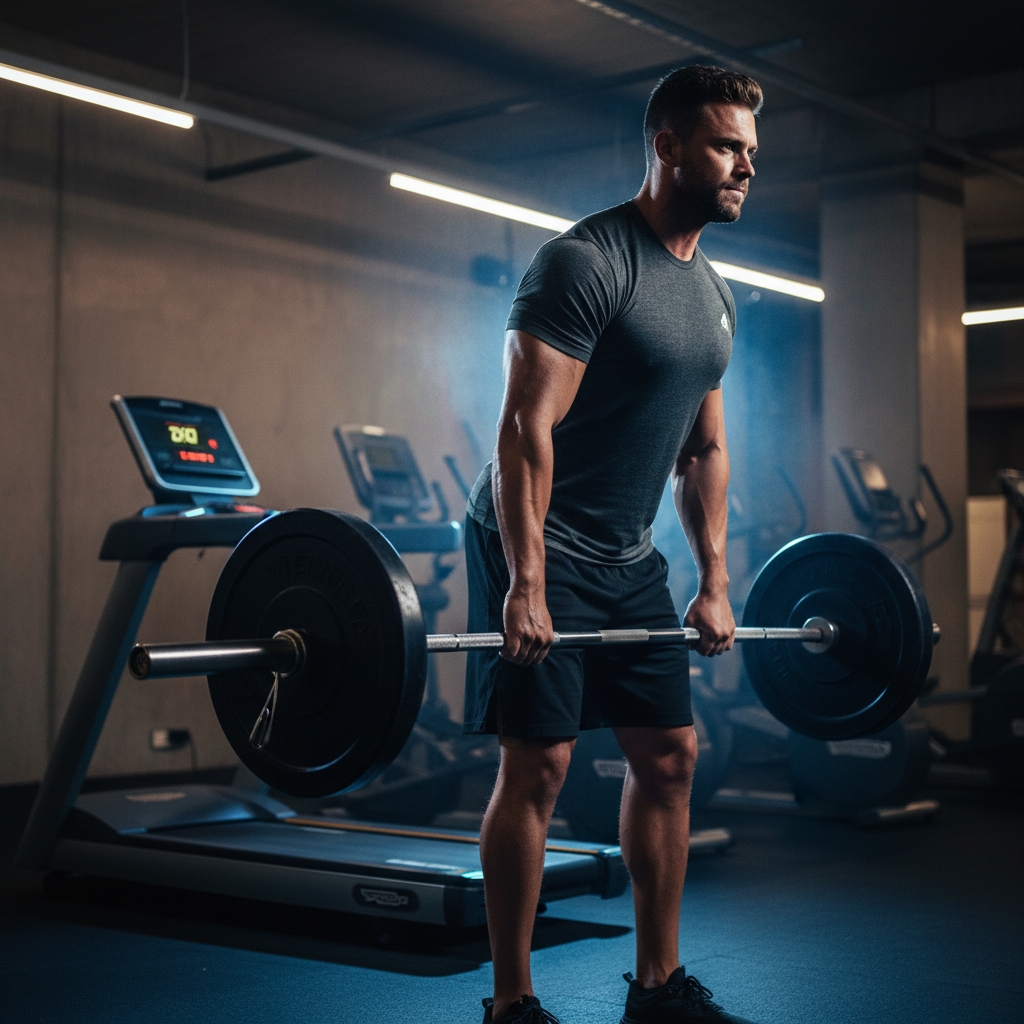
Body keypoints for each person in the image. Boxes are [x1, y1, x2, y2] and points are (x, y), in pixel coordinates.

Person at [463, 65, 762, 1024]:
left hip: (629, 555)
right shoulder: (586, 262)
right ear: (668, 146)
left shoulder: (713, 295)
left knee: (670, 755)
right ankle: (513, 1002)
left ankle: (657, 987)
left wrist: (714, 579)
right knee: (539, 764)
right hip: (537, 540)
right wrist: (526, 582)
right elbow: (524, 430)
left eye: (752, 151)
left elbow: (705, 448)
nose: (744, 166)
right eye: (725, 144)